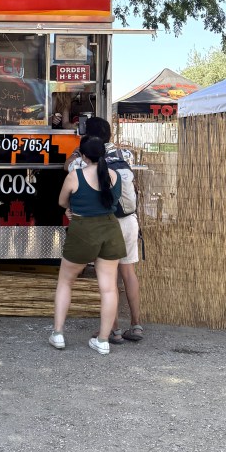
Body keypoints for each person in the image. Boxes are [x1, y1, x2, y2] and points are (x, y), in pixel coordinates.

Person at [49, 136, 126, 355]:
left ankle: (58, 334)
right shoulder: (115, 176)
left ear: (83, 156)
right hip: (110, 230)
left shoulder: (75, 176)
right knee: (108, 288)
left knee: (66, 281)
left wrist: (71, 209)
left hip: (83, 230)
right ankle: (103, 340)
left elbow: (62, 201)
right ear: (103, 154)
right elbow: (112, 201)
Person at [69, 117, 144, 343]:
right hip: (129, 220)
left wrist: (76, 152)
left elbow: (67, 168)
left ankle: (114, 330)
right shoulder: (125, 155)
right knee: (128, 273)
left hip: (106, 223)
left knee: (108, 277)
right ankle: (136, 326)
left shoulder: (83, 160)